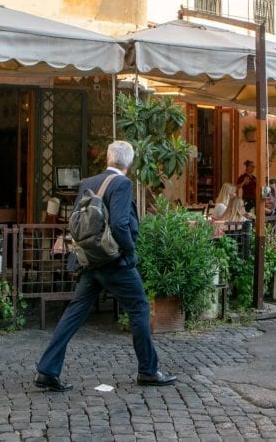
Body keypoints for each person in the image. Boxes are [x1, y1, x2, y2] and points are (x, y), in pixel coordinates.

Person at [34, 140, 176, 392]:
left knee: (74, 313)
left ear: (108, 159)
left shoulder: (88, 183)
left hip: (91, 260)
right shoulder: (122, 183)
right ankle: (148, 370)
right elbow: (121, 224)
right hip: (115, 261)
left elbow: (77, 223)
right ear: (129, 163)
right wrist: (130, 253)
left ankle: (47, 370)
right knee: (140, 308)